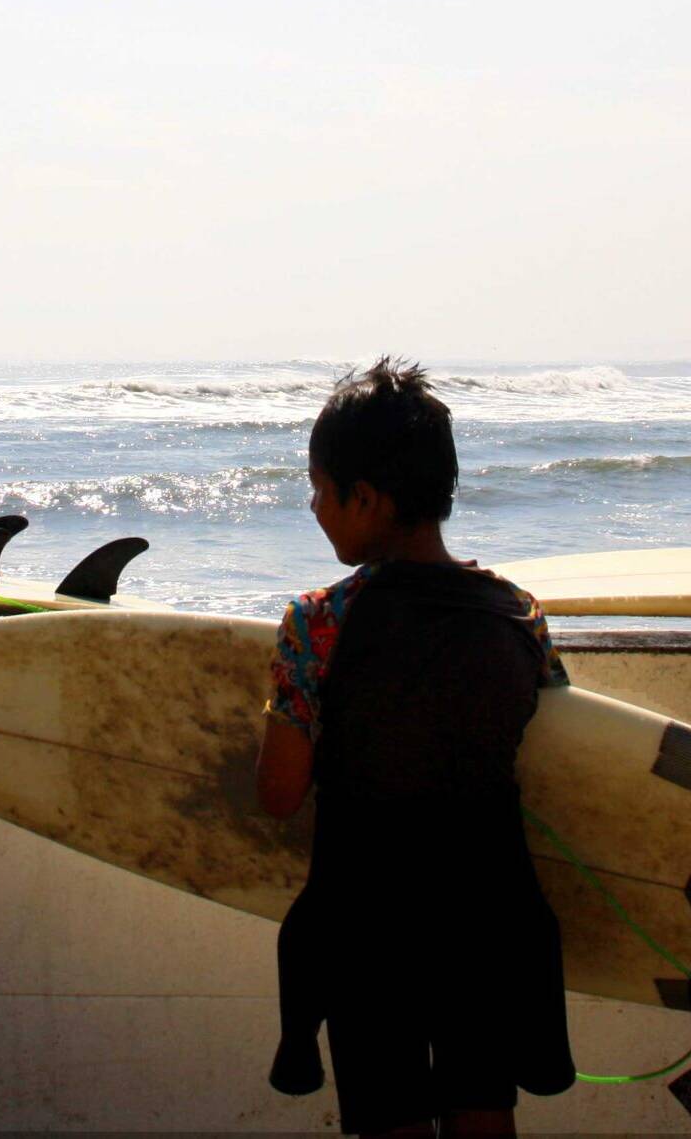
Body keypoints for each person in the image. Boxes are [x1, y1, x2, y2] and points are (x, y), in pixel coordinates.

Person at [256, 359, 574, 1137]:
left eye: (321, 488)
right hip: (489, 918)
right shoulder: (519, 616)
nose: (314, 505)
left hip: (371, 926)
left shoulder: (316, 625)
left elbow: (279, 794)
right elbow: (549, 732)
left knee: (392, 1121)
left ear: (366, 498)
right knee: (483, 1116)